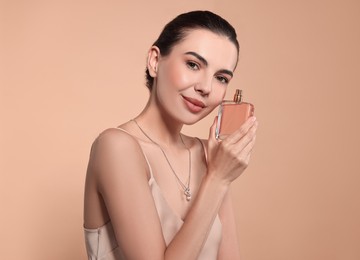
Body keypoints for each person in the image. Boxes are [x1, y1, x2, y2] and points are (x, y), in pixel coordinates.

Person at [83, 10, 258, 260]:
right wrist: (217, 179)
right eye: (193, 65)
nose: (206, 88)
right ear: (155, 61)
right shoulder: (116, 146)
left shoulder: (211, 156)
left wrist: (219, 174)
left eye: (221, 78)